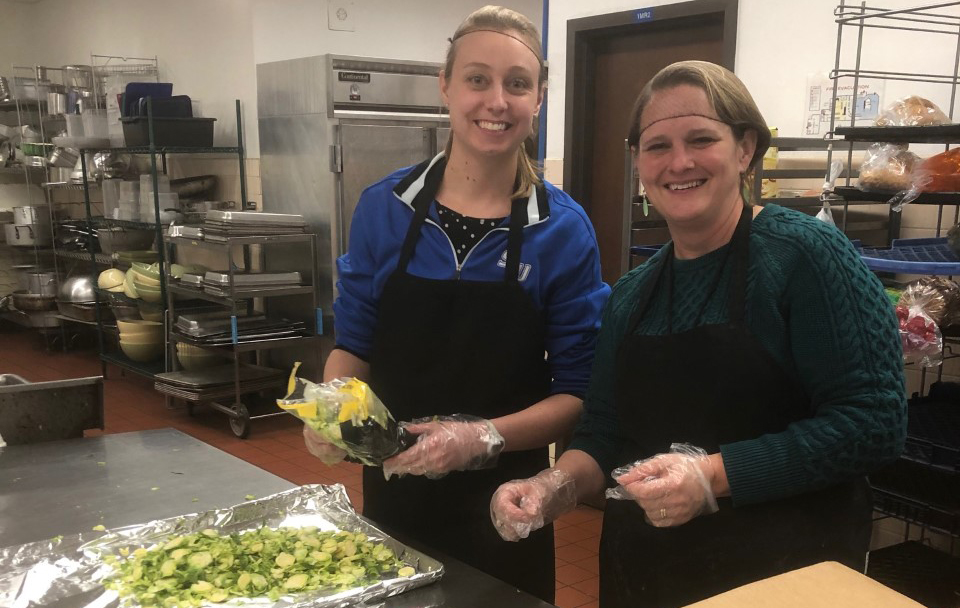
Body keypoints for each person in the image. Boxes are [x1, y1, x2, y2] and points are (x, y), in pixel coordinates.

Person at [490, 60, 907, 607]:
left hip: (787, 577)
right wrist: (553, 487)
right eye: (657, 146)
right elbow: (605, 432)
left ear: (744, 148)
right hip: (647, 576)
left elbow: (874, 421)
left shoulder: (803, 255)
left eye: (701, 138)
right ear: (639, 163)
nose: (678, 162)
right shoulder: (633, 296)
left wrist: (712, 475)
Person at [302, 5, 609, 603]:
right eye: (477, 79)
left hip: (508, 504)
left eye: (517, 84)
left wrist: (479, 438)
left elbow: (578, 393)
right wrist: (334, 407)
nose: (497, 100)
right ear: (445, 87)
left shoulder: (563, 231)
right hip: (393, 495)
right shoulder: (383, 209)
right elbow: (354, 346)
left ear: (539, 97)